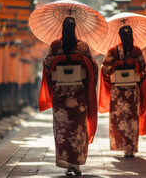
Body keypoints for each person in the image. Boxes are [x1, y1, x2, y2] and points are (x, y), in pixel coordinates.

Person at [38, 16, 98, 176]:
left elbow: (47, 63)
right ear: (75, 29)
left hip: (60, 93)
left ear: (62, 29)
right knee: (78, 128)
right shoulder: (82, 46)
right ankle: (76, 164)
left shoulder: (55, 45)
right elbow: (93, 67)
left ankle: (65, 161)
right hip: (78, 94)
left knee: (62, 128)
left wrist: (61, 60)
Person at [98, 25, 146, 158]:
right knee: (132, 119)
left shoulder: (113, 51)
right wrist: (133, 65)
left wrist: (117, 66)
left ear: (120, 36)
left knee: (118, 119)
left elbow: (105, 69)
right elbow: (143, 71)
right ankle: (130, 148)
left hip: (117, 91)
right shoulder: (137, 51)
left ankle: (120, 145)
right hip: (132, 90)